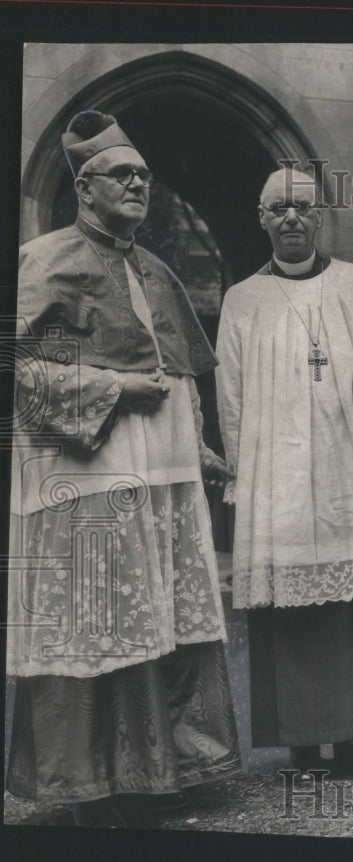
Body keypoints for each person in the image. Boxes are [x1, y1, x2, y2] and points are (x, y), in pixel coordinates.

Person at [7, 110, 240, 827]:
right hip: (94, 474)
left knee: (173, 617)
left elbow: (179, 372)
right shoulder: (50, 260)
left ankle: (171, 766)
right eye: (122, 174)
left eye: (143, 174)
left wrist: (197, 443)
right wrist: (113, 388)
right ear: (85, 185)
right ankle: (94, 780)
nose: (139, 183)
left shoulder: (156, 267)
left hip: (164, 476)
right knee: (99, 619)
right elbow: (24, 369)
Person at [215, 167, 353, 777]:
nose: (291, 219)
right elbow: (230, 398)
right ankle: (303, 742)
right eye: (278, 209)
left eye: (302, 208)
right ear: (262, 218)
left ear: (320, 215)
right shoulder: (242, 299)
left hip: (349, 467)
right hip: (279, 475)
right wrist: (243, 482)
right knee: (294, 609)